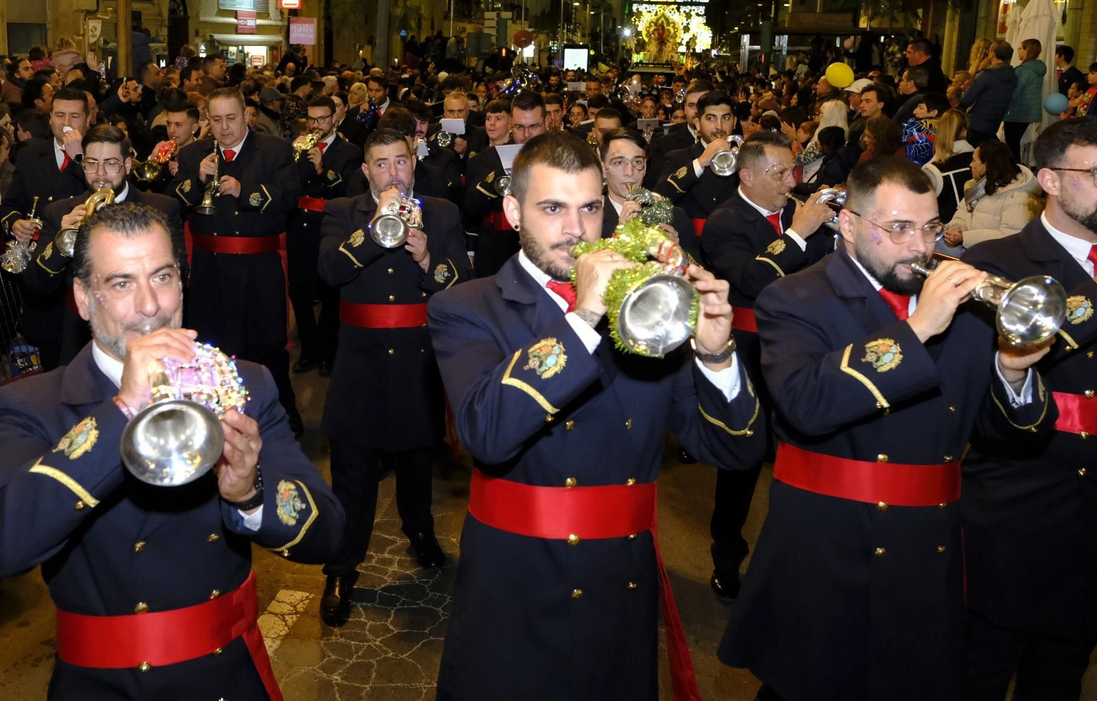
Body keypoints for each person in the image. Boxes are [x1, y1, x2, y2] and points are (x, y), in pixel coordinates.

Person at [428, 131, 762, 699]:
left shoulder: (647, 305)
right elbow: (486, 431)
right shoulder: (466, 306)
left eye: (589, 208)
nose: (576, 230)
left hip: (620, 579)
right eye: (552, 208)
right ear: (512, 212)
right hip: (516, 580)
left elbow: (734, 449)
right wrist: (584, 316)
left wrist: (715, 352)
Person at [0, 201, 339, 699]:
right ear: (83, 298)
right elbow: (3, 544)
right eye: (122, 283)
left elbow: (328, 534)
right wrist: (123, 408)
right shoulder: (32, 404)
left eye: (162, 277)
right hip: (103, 685)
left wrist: (250, 494)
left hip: (226, 676)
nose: (150, 305)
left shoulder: (243, 382)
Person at [717, 155, 1051, 701]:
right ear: (848, 225)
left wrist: (1013, 373)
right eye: (897, 228)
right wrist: (917, 329)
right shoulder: (796, 297)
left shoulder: (966, 308)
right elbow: (805, 404)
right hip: (826, 545)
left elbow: (1012, 436)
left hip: (928, 549)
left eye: (930, 228)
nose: (920, 246)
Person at [960, 116, 1097, 699]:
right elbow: (993, 381)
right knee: (978, 671)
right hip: (1013, 505)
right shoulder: (995, 263)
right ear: (1048, 179)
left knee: (1061, 677)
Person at [315, 127, 470, 625]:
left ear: (414, 161)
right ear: (366, 171)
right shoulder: (343, 212)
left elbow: (462, 285)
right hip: (358, 362)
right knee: (352, 473)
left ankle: (420, 531)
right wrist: (373, 229)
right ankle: (341, 568)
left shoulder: (441, 212)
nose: (392, 173)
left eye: (399, 162)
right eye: (380, 165)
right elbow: (328, 273)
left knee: (417, 459)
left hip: (417, 358)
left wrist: (427, 257)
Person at [697, 131, 838, 601]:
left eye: (793, 171)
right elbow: (754, 279)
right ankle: (727, 556)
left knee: (804, 454)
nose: (789, 181)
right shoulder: (725, 223)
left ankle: (793, 559)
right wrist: (801, 232)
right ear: (747, 176)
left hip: (806, 352)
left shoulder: (803, 216)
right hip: (749, 352)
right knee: (742, 463)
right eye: (779, 173)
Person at [167, 88, 303, 432]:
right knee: (212, 346)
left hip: (260, 267)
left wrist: (245, 192)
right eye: (217, 120)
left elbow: (289, 197)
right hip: (210, 267)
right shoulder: (195, 153)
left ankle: (278, 417)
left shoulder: (275, 150)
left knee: (268, 346)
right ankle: (213, 419)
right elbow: (175, 202)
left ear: (247, 116)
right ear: (207, 121)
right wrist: (197, 180)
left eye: (232, 118)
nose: (225, 127)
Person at [22, 125, 186, 366]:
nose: (100, 174)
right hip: (80, 334)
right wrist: (62, 239)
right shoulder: (59, 212)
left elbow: (181, 275)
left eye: (110, 164)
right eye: (91, 163)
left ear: (127, 166)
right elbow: (37, 285)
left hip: (147, 324)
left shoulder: (162, 208)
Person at [0, 91, 93, 368]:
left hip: (83, 269)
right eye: (59, 115)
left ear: (88, 119)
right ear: (50, 117)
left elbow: (104, 191)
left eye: (74, 116)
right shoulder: (30, 155)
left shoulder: (98, 155)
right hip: (44, 269)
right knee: (51, 357)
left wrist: (79, 158)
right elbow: (9, 205)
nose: (66, 122)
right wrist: (14, 223)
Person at [289, 93, 363, 376]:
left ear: (334, 118)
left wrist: (322, 169)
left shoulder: (349, 151)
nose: (317, 124)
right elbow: (290, 185)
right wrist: (294, 156)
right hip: (300, 226)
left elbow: (346, 190)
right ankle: (308, 350)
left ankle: (328, 352)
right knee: (300, 292)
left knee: (330, 293)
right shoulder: (298, 145)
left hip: (329, 226)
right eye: (312, 119)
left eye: (322, 119)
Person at [464, 92, 547, 276]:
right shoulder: (488, 159)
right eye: (519, 127)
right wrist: (502, 173)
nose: (526, 135)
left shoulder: (561, 156)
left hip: (547, 252)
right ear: (511, 125)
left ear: (546, 123)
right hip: (497, 257)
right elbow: (471, 206)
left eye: (533, 126)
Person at [598, 129, 702, 259]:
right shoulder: (591, 220)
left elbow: (700, 274)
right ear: (603, 170)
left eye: (637, 162)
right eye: (619, 162)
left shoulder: (675, 216)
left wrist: (678, 255)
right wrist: (619, 239)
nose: (630, 172)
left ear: (645, 168)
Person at [655, 91, 741, 235]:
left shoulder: (745, 159)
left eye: (725, 118)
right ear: (697, 124)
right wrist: (700, 163)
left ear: (735, 122)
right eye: (711, 118)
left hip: (736, 240)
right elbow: (660, 196)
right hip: (691, 245)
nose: (719, 126)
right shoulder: (677, 158)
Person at [942, 139, 1039, 249]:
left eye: (974, 160)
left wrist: (966, 237)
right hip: (973, 251)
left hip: (996, 261)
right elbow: (962, 215)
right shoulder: (977, 187)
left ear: (986, 166)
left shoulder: (1017, 196)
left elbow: (1011, 237)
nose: (970, 164)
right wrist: (956, 228)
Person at [922, 109, 976, 224]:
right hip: (976, 227)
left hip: (945, 232)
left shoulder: (932, 170)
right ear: (964, 132)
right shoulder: (982, 161)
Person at [961, 40, 1017, 145]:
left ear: (992, 54)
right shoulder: (1013, 75)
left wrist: (964, 90)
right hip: (994, 123)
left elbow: (966, 100)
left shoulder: (986, 75)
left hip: (976, 123)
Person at [1005, 39, 1048, 161]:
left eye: (1021, 48)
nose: (1018, 51)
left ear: (1027, 50)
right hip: (1029, 111)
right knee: (1014, 142)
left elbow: (1015, 92)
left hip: (1016, 110)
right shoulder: (1038, 68)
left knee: (1011, 144)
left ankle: (1014, 170)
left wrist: (1005, 110)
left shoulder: (1023, 70)